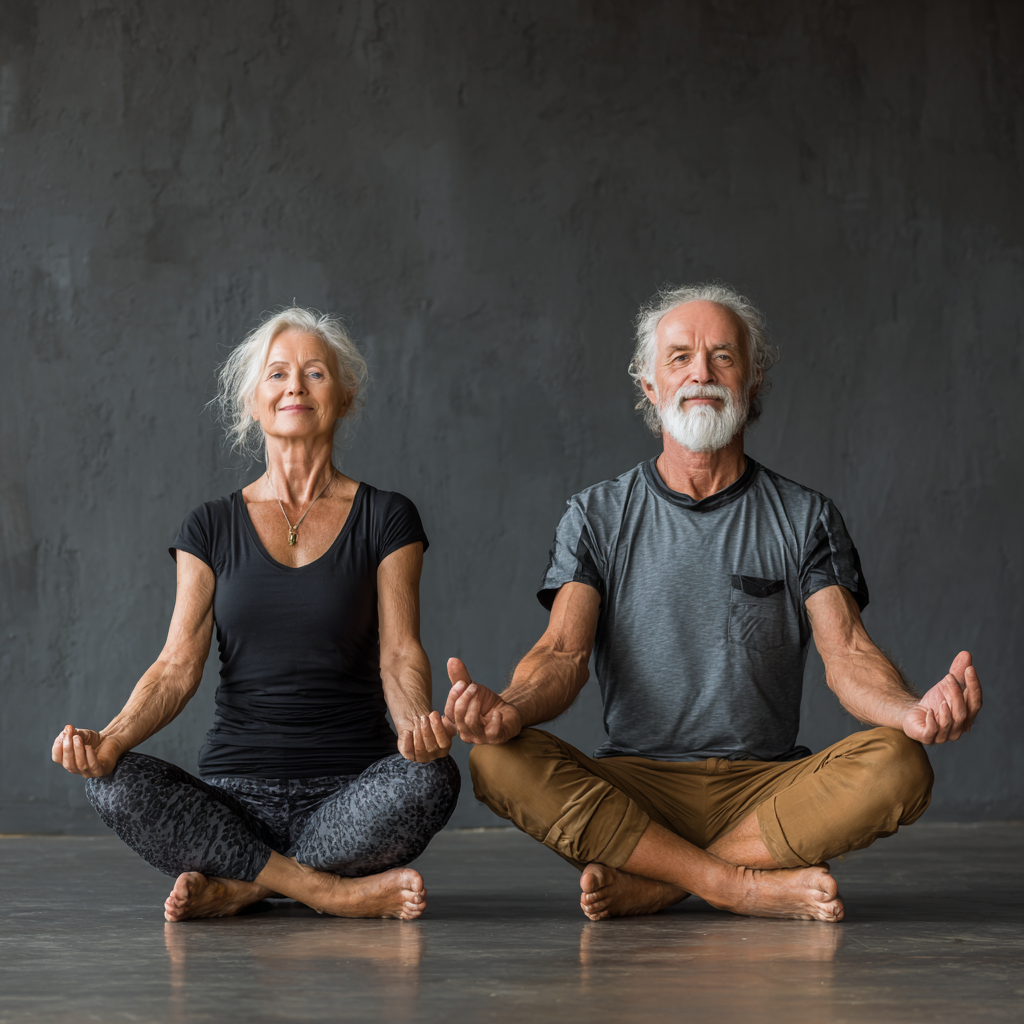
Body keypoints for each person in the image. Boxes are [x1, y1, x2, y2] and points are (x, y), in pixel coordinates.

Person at [443, 282, 982, 923]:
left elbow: (849, 654)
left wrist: (911, 711)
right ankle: (742, 885)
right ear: (650, 386)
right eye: (679, 358)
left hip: (766, 787)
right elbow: (563, 653)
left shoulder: (807, 516)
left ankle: (661, 881)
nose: (701, 372)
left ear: (752, 382)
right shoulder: (595, 515)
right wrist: (507, 710)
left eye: (723, 356)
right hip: (635, 787)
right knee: (496, 759)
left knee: (900, 762)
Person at [52, 307, 459, 922]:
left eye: (315, 372)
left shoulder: (387, 517)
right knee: (111, 782)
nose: (295, 385)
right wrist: (107, 741)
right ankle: (329, 890)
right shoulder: (209, 525)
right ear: (252, 403)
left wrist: (415, 729)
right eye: (277, 374)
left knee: (434, 777)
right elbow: (175, 666)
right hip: (233, 798)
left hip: (351, 795)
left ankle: (247, 883)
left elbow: (400, 653)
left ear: (344, 397)